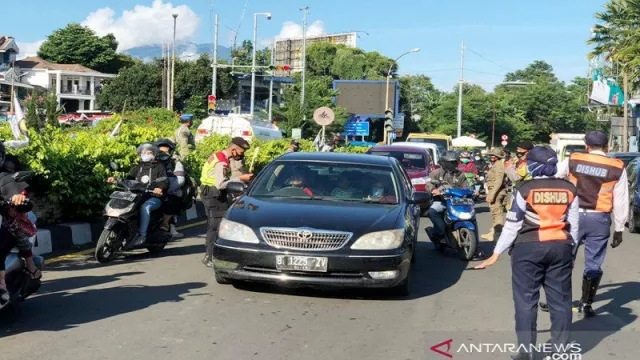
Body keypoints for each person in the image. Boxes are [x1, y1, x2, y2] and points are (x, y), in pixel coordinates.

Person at [475, 146, 579, 360]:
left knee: (526, 302)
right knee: (560, 302)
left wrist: (496, 253)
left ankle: (526, 352)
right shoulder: (569, 188)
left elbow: (513, 225)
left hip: (528, 249)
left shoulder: (525, 188)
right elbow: (574, 225)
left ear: (532, 165)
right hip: (561, 247)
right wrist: (571, 251)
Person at [539, 131, 627, 318]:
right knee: (594, 263)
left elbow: (555, 177)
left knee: (563, 259)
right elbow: (620, 200)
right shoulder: (617, 167)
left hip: (573, 216)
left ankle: (556, 301)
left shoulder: (574, 160)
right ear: (606, 147)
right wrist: (619, 228)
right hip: (599, 220)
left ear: (587, 146)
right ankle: (586, 304)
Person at [200, 137, 253, 267]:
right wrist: (241, 178)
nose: (242, 155)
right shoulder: (222, 162)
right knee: (216, 225)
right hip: (214, 194)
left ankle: (211, 255)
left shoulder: (218, 155)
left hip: (208, 191)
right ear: (234, 149)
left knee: (215, 224)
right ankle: (210, 256)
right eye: (241, 152)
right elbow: (220, 184)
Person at [107, 143, 168, 246]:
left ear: (154, 154)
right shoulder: (138, 167)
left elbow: (164, 181)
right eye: (144, 152)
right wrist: (116, 180)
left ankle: (142, 235)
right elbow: (128, 179)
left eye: (149, 152)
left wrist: (159, 188)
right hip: (137, 196)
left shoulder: (159, 167)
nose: (146, 154)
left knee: (145, 207)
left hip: (154, 197)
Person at [0, 142, 38, 304]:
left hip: (5, 219)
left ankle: (1, 286)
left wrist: (19, 197)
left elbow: (11, 185)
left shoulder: (3, 176)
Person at [425, 151, 469, 244]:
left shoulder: (460, 174)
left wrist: (472, 191)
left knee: (471, 216)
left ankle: (476, 245)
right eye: (451, 162)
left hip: (458, 202)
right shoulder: (436, 173)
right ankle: (439, 233)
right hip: (441, 201)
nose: (453, 164)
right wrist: (433, 190)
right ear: (444, 162)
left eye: (455, 162)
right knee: (432, 211)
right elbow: (429, 184)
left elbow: (466, 186)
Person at [154, 139, 185, 238]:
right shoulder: (152, 161)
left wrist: (165, 189)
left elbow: (180, 180)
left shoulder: (176, 163)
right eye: (161, 151)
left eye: (166, 152)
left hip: (169, 190)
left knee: (173, 200)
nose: (163, 154)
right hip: (151, 189)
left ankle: (168, 226)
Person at [482, 148, 507, 241]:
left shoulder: (499, 166)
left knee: (497, 213)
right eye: (491, 155)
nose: (491, 157)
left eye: (493, 155)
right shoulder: (495, 165)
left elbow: (498, 182)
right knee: (494, 212)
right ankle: (493, 231)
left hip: (497, 191)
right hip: (493, 190)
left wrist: (492, 195)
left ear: (497, 157)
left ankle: (498, 235)